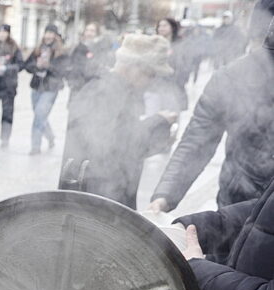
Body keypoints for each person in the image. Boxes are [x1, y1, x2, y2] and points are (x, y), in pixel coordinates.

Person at [148, 0, 274, 214]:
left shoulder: (231, 74)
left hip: (237, 209)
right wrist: (164, 196)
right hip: (240, 208)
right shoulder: (232, 77)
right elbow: (198, 140)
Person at [60, 34, 178, 208]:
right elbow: (111, 148)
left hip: (108, 197)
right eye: (151, 74)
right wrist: (158, 122)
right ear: (134, 67)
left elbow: (126, 146)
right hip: (95, 201)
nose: (152, 81)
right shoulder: (104, 93)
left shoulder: (121, 91)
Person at [24, 24, 69, 154]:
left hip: (51, 88)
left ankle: (35, 147)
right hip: (36, 87)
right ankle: (50, 136)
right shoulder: (38, 49)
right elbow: (27, 65)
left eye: (51, 33)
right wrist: (36, 66)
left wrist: (48, 66)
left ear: (55, 36)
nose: (48, 36)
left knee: (39, 115)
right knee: (40, 116)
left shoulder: (60, 52)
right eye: (46, 33)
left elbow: (62, 71)